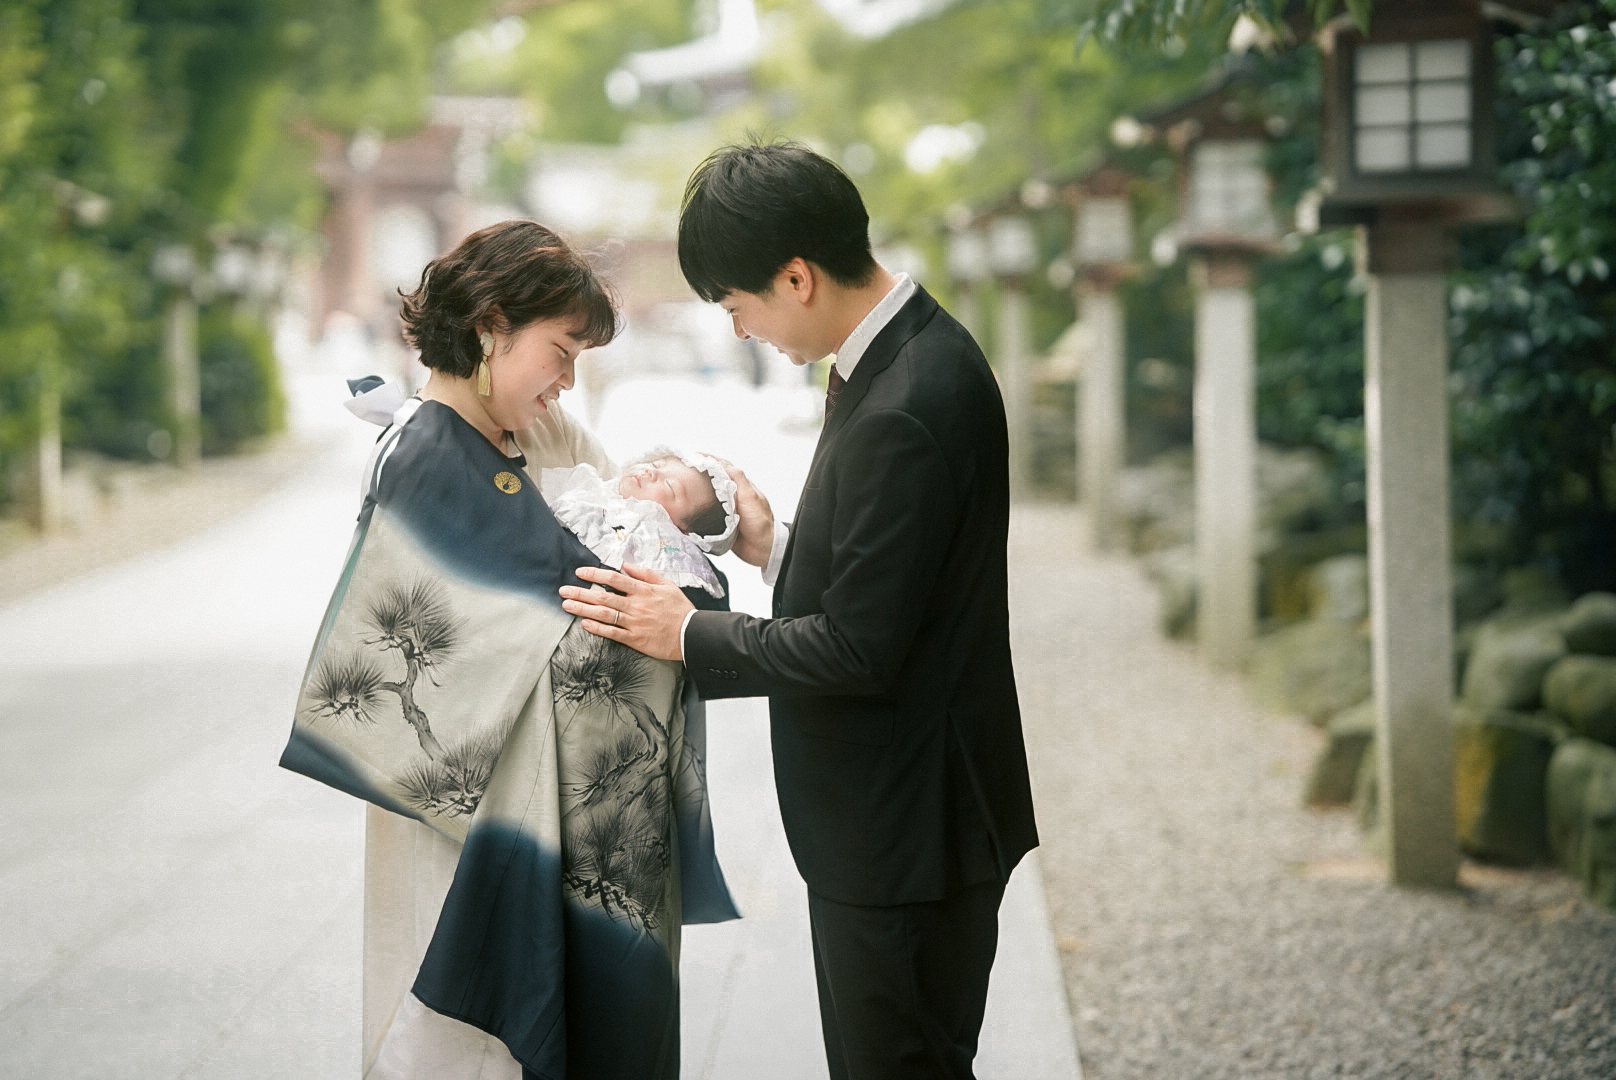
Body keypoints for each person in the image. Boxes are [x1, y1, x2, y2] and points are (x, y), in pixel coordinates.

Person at [558, 143, 1039, 1080]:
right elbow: (902, 584)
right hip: (906, 813)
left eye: (737, 305)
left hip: (908, 829)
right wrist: (774, 546)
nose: (741, 331)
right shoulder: (901, 354)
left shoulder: (906, 399)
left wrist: (685, 631)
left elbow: (860, 649)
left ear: (796, 276)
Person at [281, 219, 736, 1080]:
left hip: (594, 812)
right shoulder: (416, 456)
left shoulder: (554, 434)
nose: (568, 381)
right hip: (473, 816)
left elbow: (639, 558)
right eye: (561, 351)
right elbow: (438, 659)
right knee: (469, 1046)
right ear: (491, 326)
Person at [542, 449, 739, 598]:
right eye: (655, 465)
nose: (649, 472)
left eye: (670, 486)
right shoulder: (592, 489)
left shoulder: (657, 544)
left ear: (681, 531)